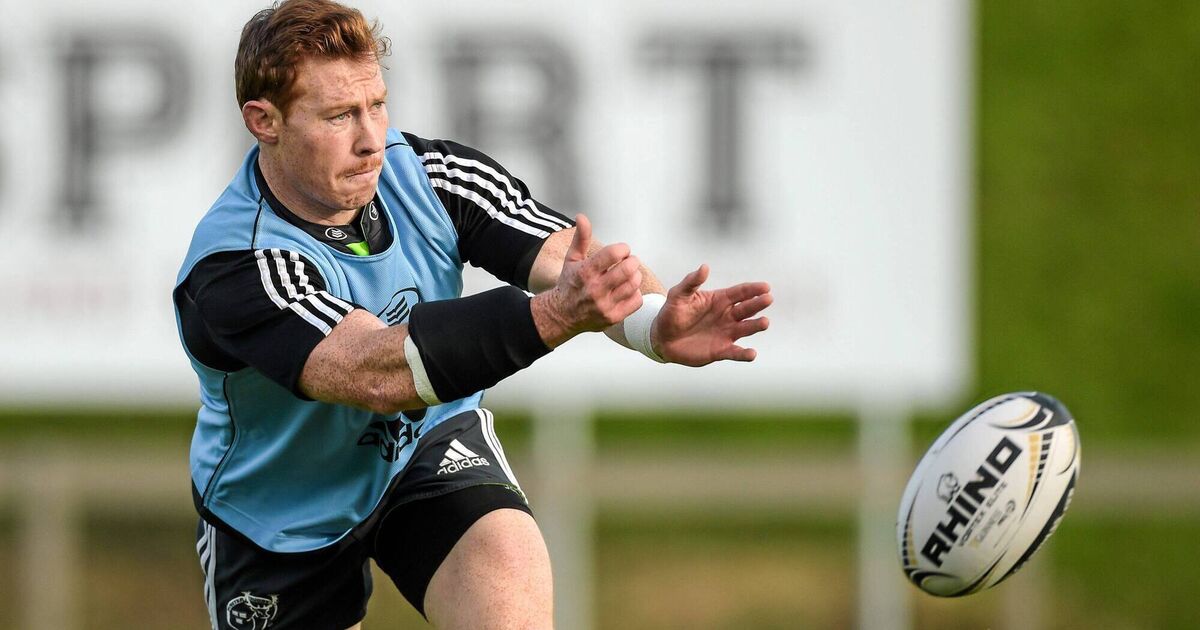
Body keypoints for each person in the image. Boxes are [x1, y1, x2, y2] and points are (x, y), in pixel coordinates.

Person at [173, 1, 772, 628]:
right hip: (277, 517)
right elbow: (377, 373)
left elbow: (572, 264)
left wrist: (650, 322)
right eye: (339, 116)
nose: (370, 140)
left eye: (377, 105)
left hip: (428, 449)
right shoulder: (235, 264)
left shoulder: (429, 176)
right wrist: (556, 316)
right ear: (264, 121)